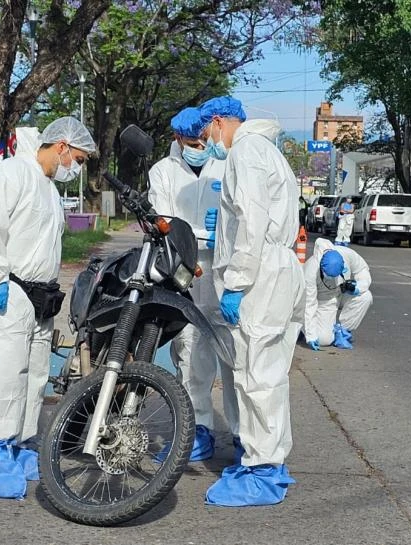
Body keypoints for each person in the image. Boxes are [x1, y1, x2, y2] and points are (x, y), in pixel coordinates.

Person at [0, 116, 96, 499]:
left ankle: (19, 444)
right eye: (79, 160)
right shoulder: (12, 173)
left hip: (39, 296)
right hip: (8, 287)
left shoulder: (48, 189)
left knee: (35, 373)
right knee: (6, 371)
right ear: (62, 147)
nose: (77, 168)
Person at [198, 95, 305, 506]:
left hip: (259, 276)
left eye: (208, 130)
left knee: (255, 375)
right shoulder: (269, 152)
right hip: (279, 270)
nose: (208, 139)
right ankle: (270, 462)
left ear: (221, 121)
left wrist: (238, 283)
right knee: (270, 375)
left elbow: (252, 221)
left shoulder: (245, 151)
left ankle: (260, 471)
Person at [147, 107, 238, 463]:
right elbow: (165, 222)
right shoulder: (163, 172)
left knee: (234, 354)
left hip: (225, 270)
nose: (200, 147)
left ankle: (243, 434)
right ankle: (197, 429)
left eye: (203, 140)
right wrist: (204, 235)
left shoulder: (227, 165)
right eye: (191, 142)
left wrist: (226, 235)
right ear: (176, 139)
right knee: (189, 352)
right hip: (183, 270)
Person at [303, 238, 373, 351]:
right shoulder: (310, 269)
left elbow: (362, 270)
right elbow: (309, 304)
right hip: (324, 302)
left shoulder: (346, 254)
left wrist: (358, 287)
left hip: (344, 293)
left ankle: (343, 331)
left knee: (365, 296)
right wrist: (310, 334)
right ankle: (303, 329)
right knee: (324, 340)